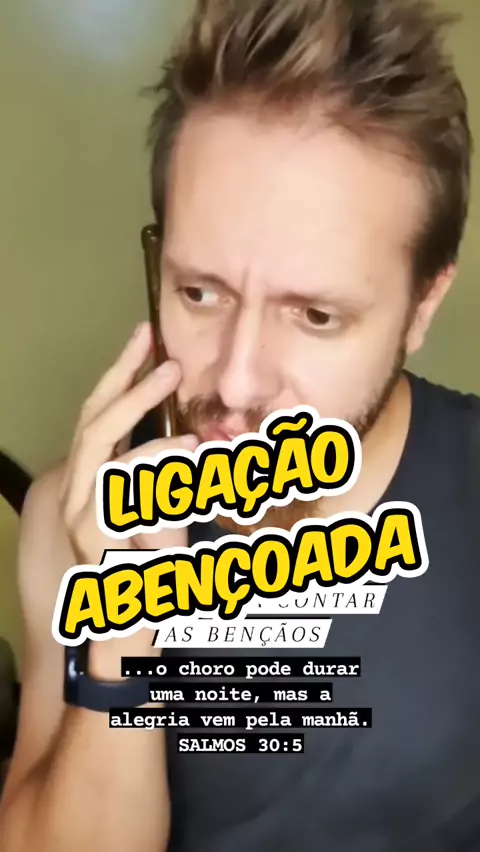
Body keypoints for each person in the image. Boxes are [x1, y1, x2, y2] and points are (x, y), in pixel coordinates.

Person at [1, 0, 479, 849]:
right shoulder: (70, 523)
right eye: (200, 292)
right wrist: (119, 637)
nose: (237, 381)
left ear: (421, 306)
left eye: (316, 316)